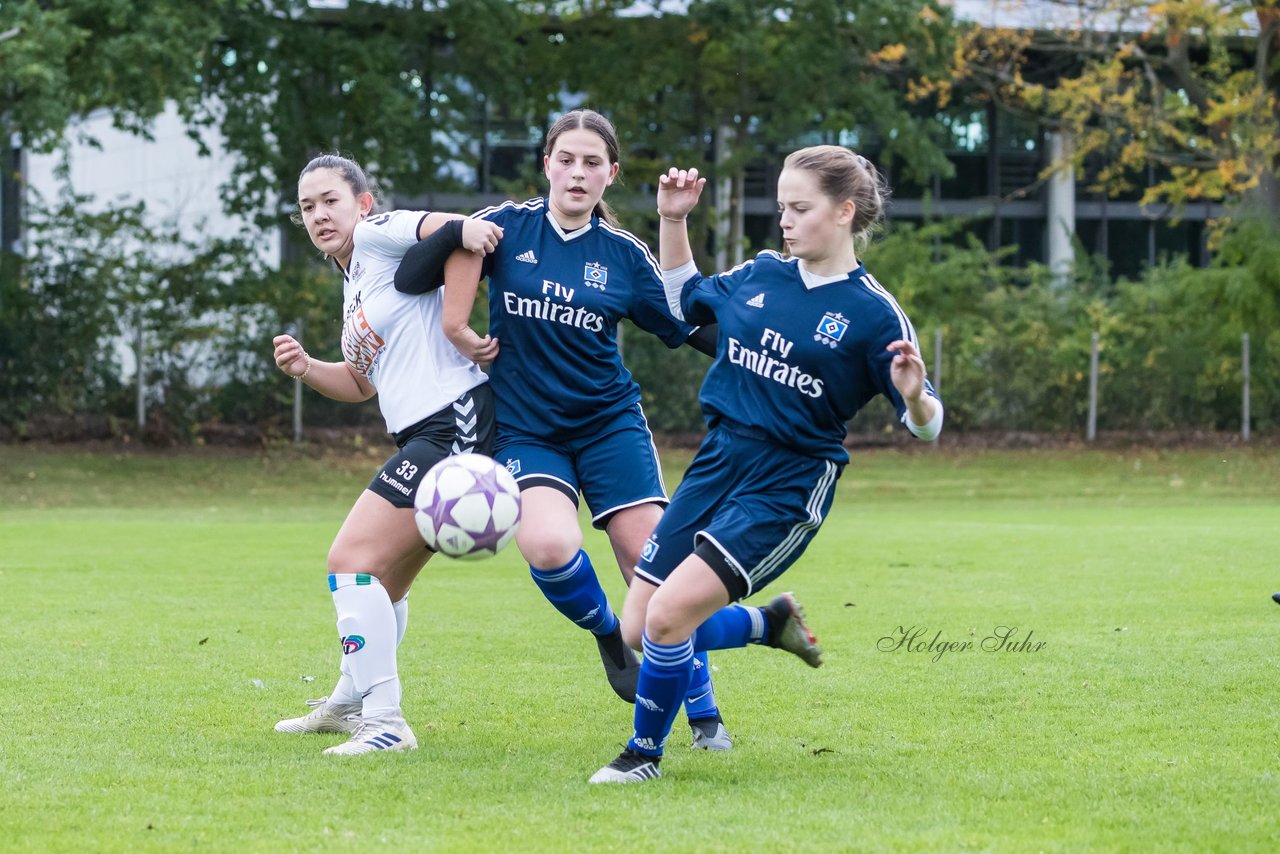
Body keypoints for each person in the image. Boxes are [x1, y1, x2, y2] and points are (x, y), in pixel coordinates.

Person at [589, 145, 944, 783]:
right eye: (781, 205)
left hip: (786, 483)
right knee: (640, 628)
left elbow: (929, 427)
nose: (785, 219)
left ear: (844, 211)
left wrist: (915, 394)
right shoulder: (760, 275)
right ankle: (768, 623)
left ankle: (642, 757)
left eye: (800, 208)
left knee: (670, 617)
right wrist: (674, 221)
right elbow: (682, 301)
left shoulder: (872, 313)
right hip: (718, 461)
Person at [408, 108, 732, 750]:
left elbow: (688, 324)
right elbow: (410, 276)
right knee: (549, 548)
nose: (577, 173)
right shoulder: (503, 228)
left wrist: (765, 356)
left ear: (611, 175)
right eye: (567, 159)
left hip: (609, 426)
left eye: (592, 163)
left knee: (648, 561)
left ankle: (704, 710)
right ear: (547, 165)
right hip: (529, 432)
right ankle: (613, 640)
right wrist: (456, 234)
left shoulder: (623, 255)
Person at [270, 153, 503, 756]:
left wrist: (457, 326)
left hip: (454, 423)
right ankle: (351, 703)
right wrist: (307, 369)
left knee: (348, 560)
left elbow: (458, 231)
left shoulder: (377, 235)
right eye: (307, 207)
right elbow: (360, 383)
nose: (319, 215)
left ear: (362, 203)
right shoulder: (353, 284)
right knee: (384, 583)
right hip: (426, 433)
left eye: (330, 201)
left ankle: (386, 721)